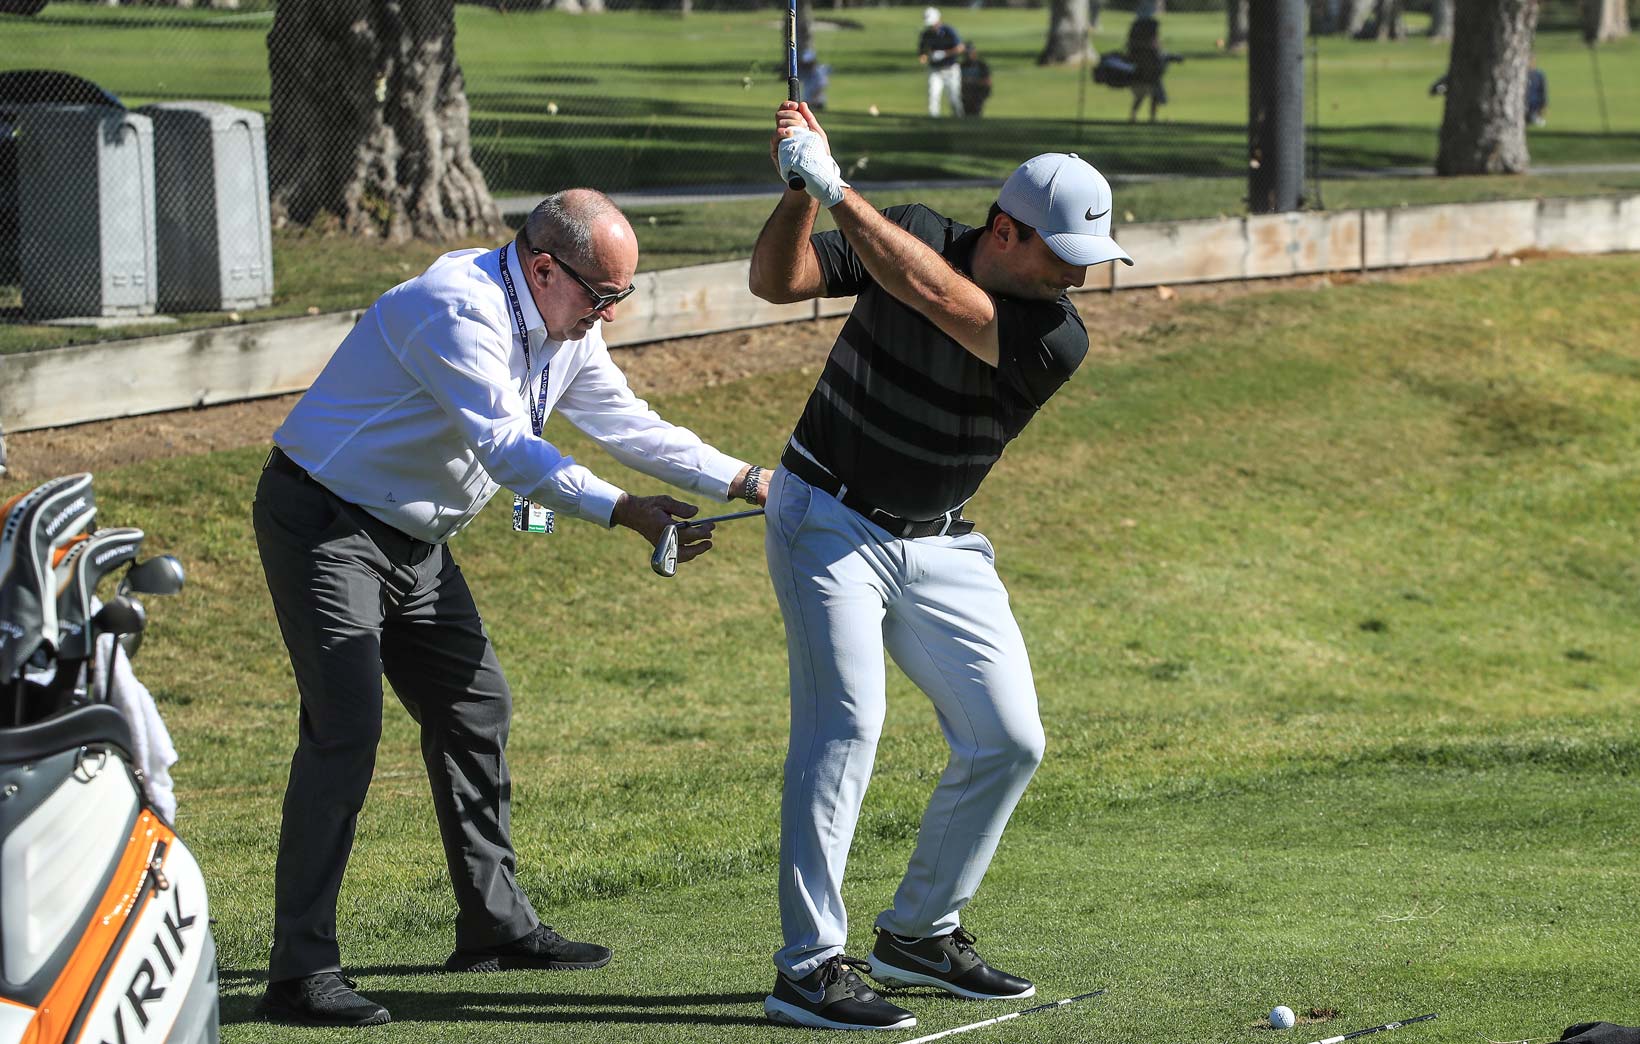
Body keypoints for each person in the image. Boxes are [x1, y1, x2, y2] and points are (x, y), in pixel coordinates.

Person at [251, 189, 771, 1028]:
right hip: (325, 522)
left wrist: (748, 480)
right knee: (345, 730)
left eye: (621, 297)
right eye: (603, 295)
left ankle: (494, 926)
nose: (609, 315)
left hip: (415, 541)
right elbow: (508, 451)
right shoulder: (456, 308)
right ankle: (299, 971)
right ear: (544, 269)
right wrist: (624, 512)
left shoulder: (568, 327)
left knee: (476, 705)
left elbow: (628, 424)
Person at [748, 101, 1133, 1031]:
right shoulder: (912, 230)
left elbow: (943, 301)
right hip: (826, 517)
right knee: (846, 726)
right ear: (1004, 230)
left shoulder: (1057, 335)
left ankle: (919, 933)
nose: (1080, 275)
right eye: (1065, 253)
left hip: (941, 542)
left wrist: (839, 187)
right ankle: (809, 966)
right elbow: (778, 280)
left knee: (1009, 738)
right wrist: (801, 189)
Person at [1126, 1, 1176, 123]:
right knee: (1154, 89)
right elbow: (1156, 48)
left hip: (1138, 66)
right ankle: (1152, 117)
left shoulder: (1135, 28)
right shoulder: (1151, 27)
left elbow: (1129, 46)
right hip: (1150, 67)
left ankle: (1134, 115)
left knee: (1143, 92)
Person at [918, 6, 965, 117]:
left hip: (951, 70)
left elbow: (960, 48)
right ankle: (934, 120)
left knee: (954, 98)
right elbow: (922, 53)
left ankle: (958, 119)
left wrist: (944, 54)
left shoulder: (948, 31)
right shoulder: (926, 34)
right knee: (933, 97)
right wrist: (927, 57)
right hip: (935, 70)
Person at [959, 41, 993, 117]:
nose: (968, 55)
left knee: (976, 111)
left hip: (978, 92)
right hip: (966, 93)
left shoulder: (982, 65)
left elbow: (987, 81)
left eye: (969, 53)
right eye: (966, 53)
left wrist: (971, 81)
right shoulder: (961, 66)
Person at [798, 47, 831, 112]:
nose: (806, 65)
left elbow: (820, 87)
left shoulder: (818, 72)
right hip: (807, 102)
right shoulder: (806, 72)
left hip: (816, 103)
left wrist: (812, 101)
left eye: (808, 63)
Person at [1525, 56, 1548, 127]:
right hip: (1524, 105)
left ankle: (1533, 117)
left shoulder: (1539, 75)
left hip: (1535, 105)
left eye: (1532, 61)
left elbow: (1543, 91)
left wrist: (1544, 105)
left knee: (1534, 120)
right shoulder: (1522, 75)